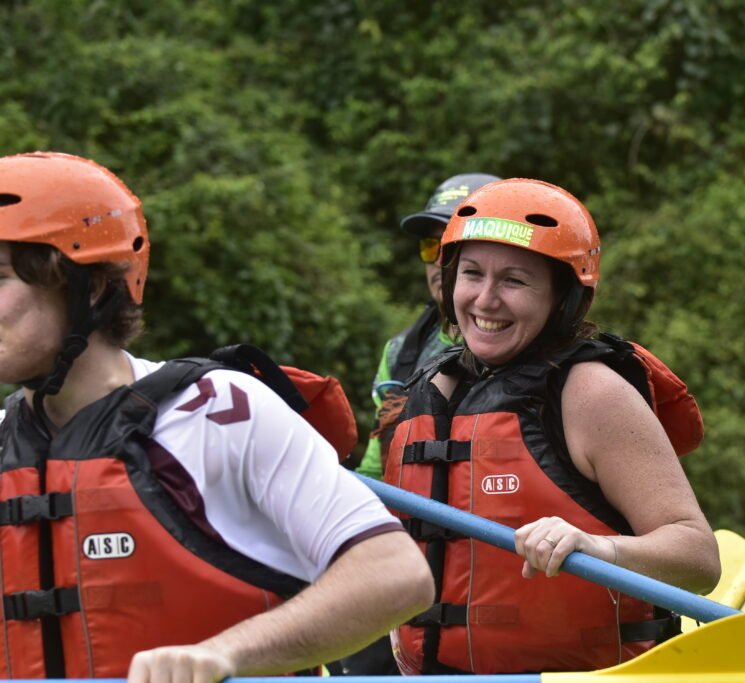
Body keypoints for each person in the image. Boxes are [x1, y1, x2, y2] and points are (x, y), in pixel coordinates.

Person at [0, 152, 434, 682]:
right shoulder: (6, 440)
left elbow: (398, 574)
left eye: (0, 277)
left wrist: (227, 654)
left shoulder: (218, 410)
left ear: (89, 288)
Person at [382, 178, 721, 675]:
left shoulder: (592, 394)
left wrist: (594, 546)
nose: (485, 300)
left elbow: (699, 559)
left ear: (562, 296)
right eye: (472, 274)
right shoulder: (429, 392)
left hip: (579, 677)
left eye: (515, 281)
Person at [357, 172, 500, 480]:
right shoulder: (400, 352)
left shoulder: (526, 349)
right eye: (429, 246)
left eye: (452, 245)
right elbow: (373, 469)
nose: (438, 260)